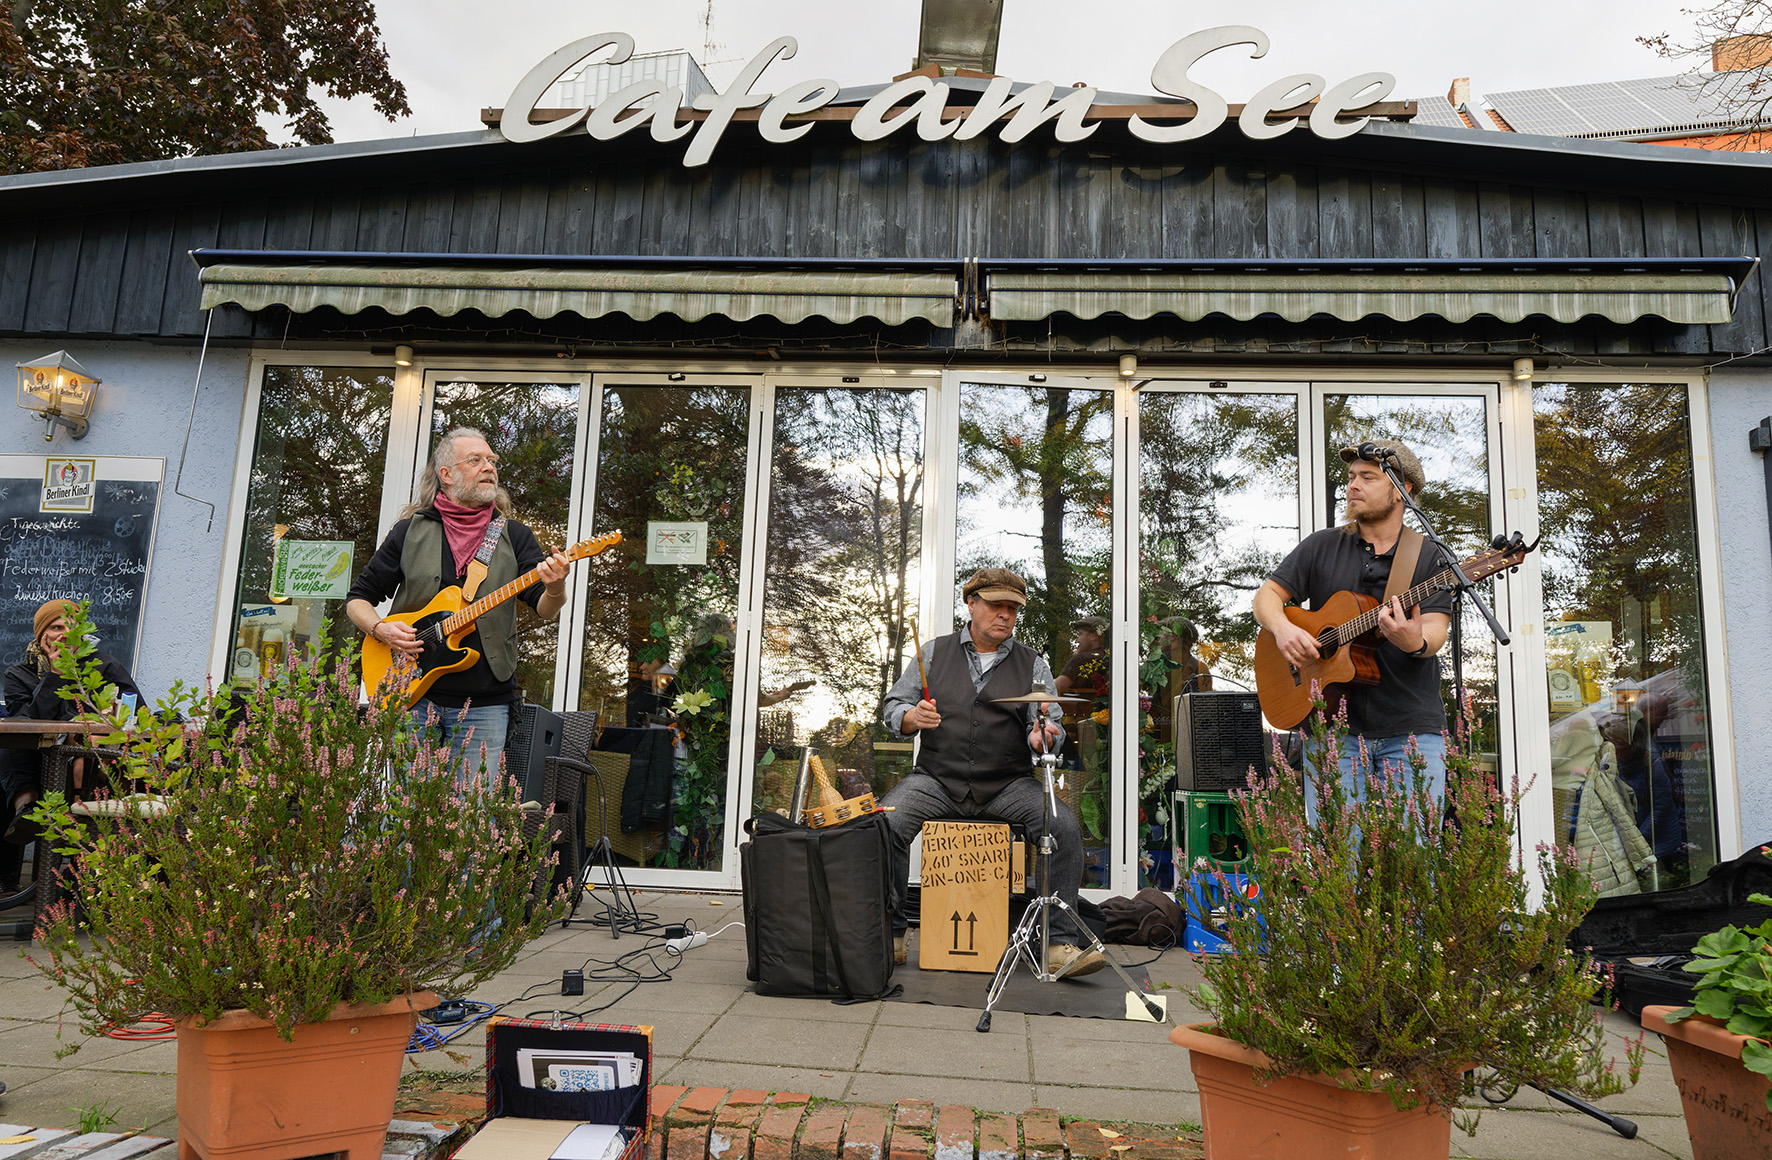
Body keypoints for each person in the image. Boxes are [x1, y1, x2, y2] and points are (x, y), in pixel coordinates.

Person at [880, 567, 1105, 977]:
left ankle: (1058, 944)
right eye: (996, 605)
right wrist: (912, 716)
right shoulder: (932, 652)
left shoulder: (1033, 663)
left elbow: (1048, 725)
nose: (1005, 615)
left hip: (1007, 783)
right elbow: (892, 708)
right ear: (971, 603)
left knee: (1063, 826)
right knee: (884, 824)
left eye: (1012, 609)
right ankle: (891, 934)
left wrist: (1043, 738)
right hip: (935, 779)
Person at [345, 427, 574, 779]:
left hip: (486, 702)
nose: (489, 467)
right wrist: (381, 629)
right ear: (446, 474)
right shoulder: (409, 532)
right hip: (410, 698)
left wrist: (556, 587)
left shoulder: (515, 536)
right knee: (401, 814)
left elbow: (543, 607)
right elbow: (357, 599)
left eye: (492, 461)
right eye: (476, 460)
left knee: (473, 818)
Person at [1252, 438, 1453, 808]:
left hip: (1410, 728)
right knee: (1335, 858)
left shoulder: (1428, 556)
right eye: (1351, 476)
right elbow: (1266, 597)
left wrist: (1412, 641)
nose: (1352, 486)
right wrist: (1284, 630)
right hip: (1331, 730)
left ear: (1402, 491)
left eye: (1368, 477)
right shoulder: (1321, 546)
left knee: (1416, 858)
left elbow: (1435, 631)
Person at [2, 599, 143, 846]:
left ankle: (74, 831)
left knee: (81, 751)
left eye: (73, 628)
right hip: (38, 762)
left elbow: (138, 713)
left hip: (92, 763)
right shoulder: (18, 675)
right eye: (57, 627)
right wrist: (55, 674)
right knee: (10, 745)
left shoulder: (104, 665)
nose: (66, 634)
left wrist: (109, 720)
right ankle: (28, 808)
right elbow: (30, 721)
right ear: (42, 635)